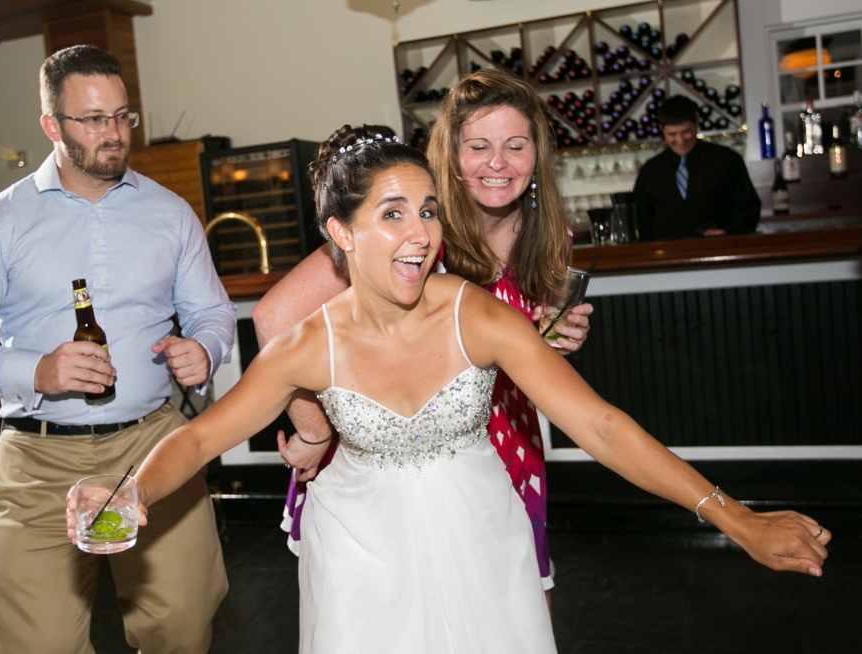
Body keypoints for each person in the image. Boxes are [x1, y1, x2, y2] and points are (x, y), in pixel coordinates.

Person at [90, 125, 829, 654]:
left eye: (429, 209)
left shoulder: (475, 313)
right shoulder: (306, 348)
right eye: (392, 214)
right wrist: (129, 497)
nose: (422, 233)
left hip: (482, 535)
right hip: (357, 549)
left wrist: (738, 522)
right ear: (339, 234)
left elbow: (599, 426)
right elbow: (198, 436)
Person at [0, 45, 234, 654]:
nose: (114, 134)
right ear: (51, 126)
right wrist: (35, 369)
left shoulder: (170, 214)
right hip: (38, 464)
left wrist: (207, 347)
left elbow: (212, 312)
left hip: (155, 448)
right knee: (35, 645)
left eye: (122, 116)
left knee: (181, 628)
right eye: (93, 119)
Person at [253, 69, 591, 602]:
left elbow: (519, 334)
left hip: (507, 436)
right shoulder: (415, 223)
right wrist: (315, 430)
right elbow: (274, 318)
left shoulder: (550, 231)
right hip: (403, 449)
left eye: (515, 146)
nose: (498, 163)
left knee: (515, 603)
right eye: (478, 146)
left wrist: (553, 331)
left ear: (537, 155)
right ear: (449, 156)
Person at [633, 95, 761, 240]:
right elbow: (641, 220)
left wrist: (728, 231)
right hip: (668, 256)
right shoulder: (650, 171)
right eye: (672, 134)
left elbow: (749, 207)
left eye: (686, 132)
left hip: (719, 251)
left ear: (697, 122)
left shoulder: (727, 159)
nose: (680, 140)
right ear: (661, 129)